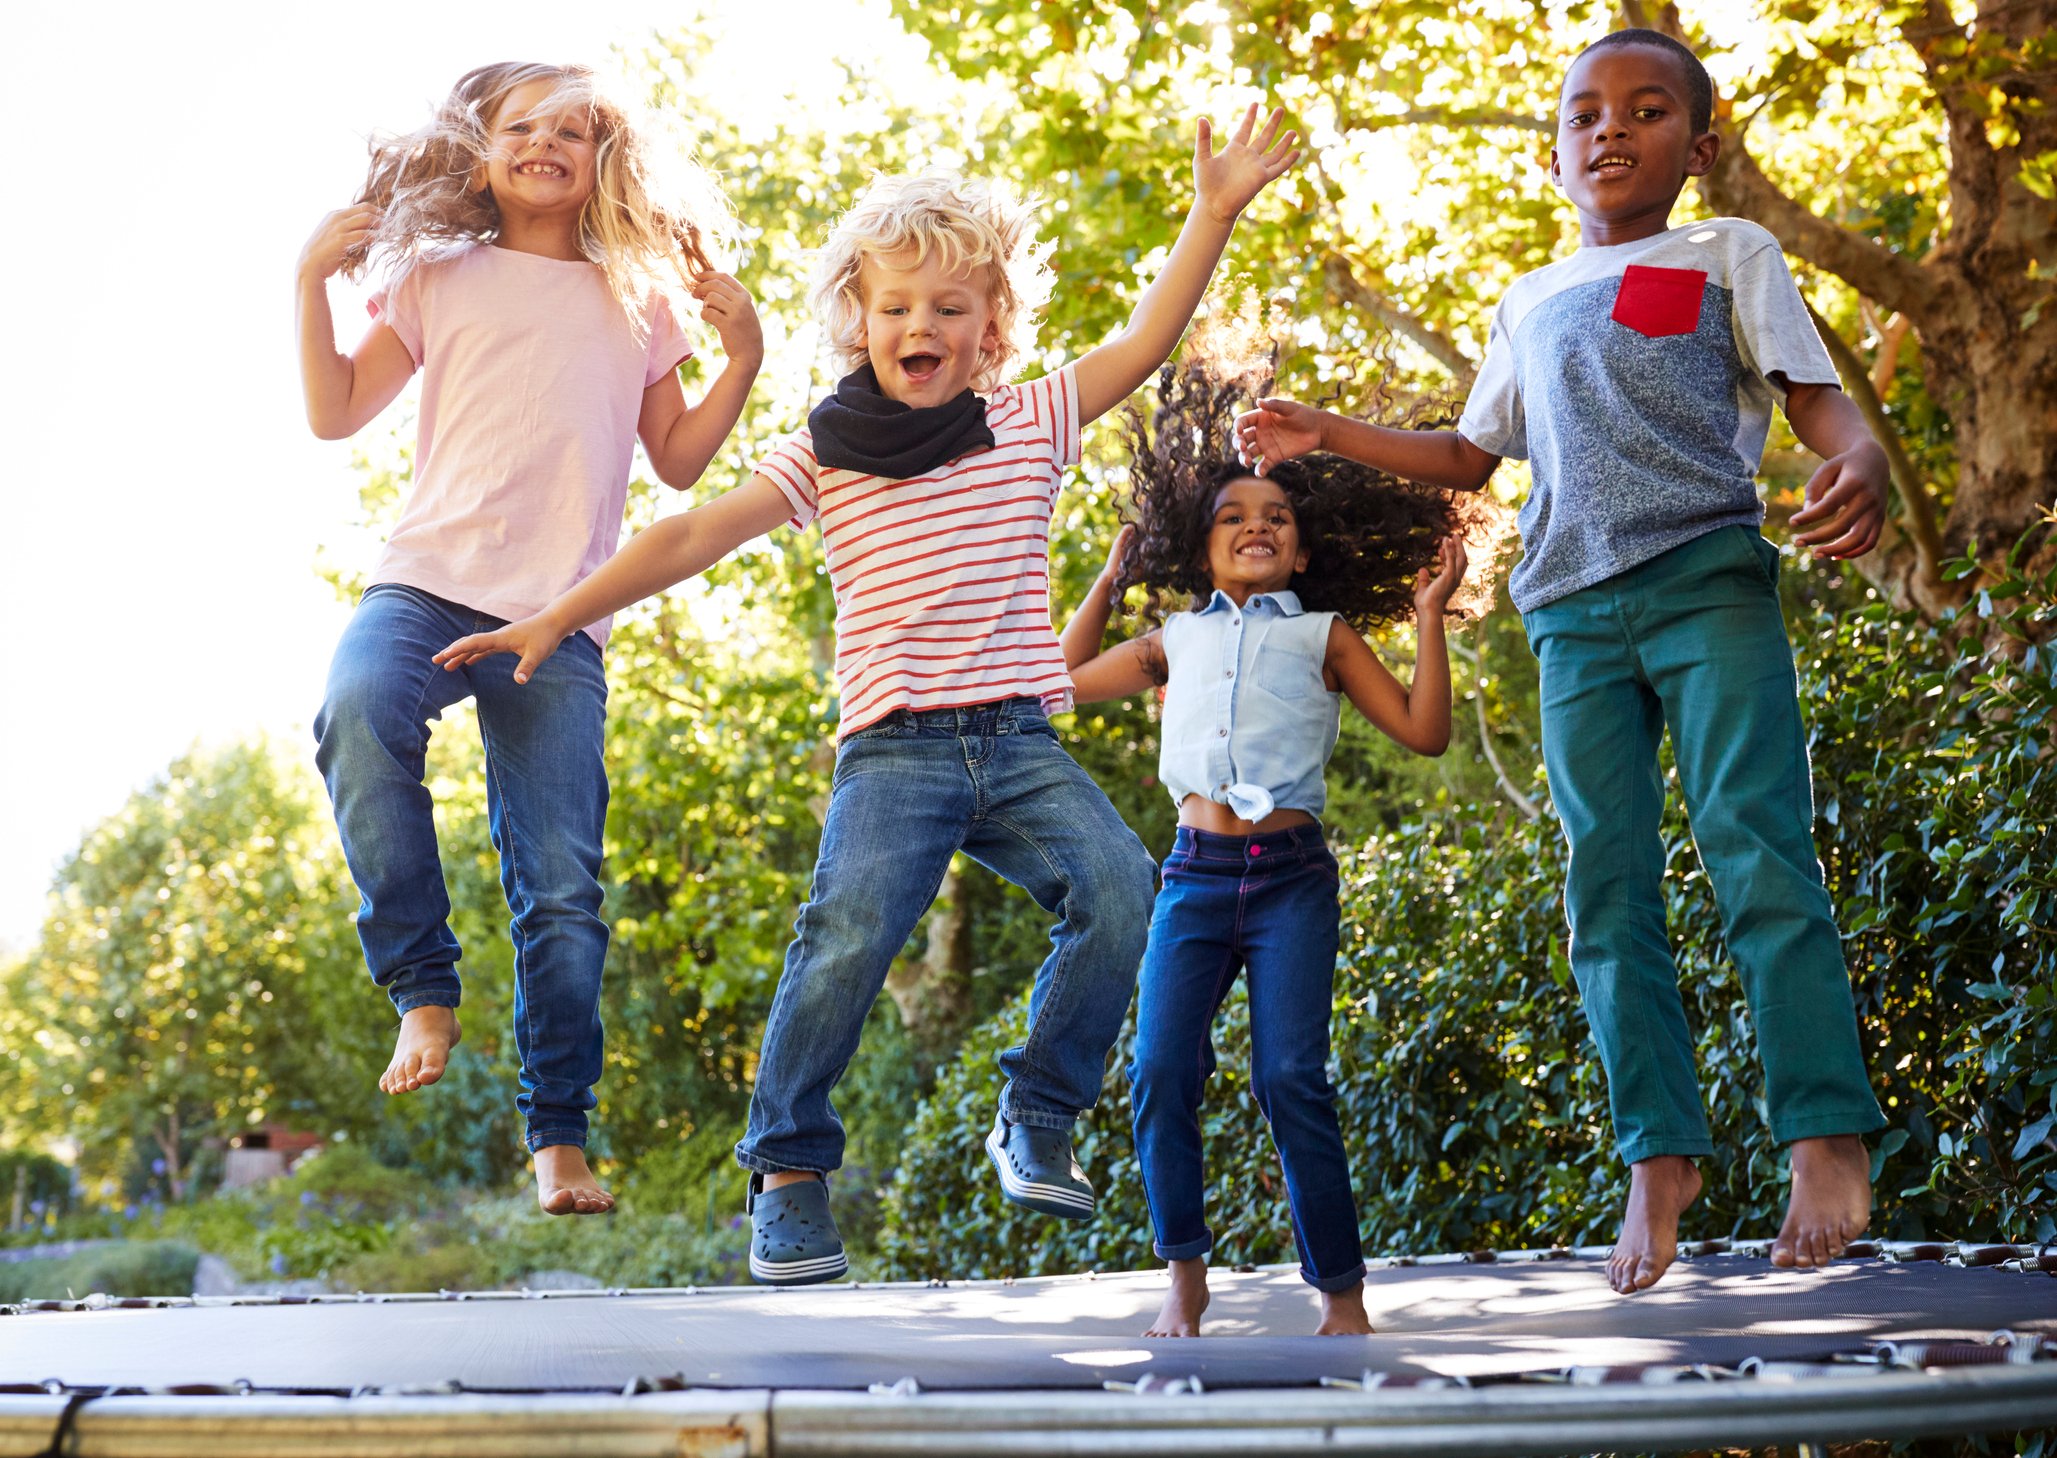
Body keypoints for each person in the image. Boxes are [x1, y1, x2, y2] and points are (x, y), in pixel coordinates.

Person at [433, 107, 1301, 1282]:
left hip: (1016, 739)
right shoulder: (824, 452)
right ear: (858, 318)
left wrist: (1210, 210)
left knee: (1117, 889)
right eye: (894, 307)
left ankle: (1036, 1115)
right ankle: (788, 1172)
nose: (919, 326)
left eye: (949, 308)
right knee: (840, 941)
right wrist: (555, 613)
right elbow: (692, 528)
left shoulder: (1030, 417)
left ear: (991, 326)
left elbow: (1145, 340)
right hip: (894, 750)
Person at [1236, 28, 1887, 1294]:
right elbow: (1472, 457)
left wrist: (1854, 457)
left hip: (1704, 584)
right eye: (1584, 114)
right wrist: (1331, 432)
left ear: (1694, 149)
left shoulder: (1725, 255)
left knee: (1755, 846)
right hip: (1569, 619)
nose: (1609, 130)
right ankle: (1658, 1157)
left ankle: (1821, 1131)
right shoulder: (1527, 299)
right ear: (1554, 154)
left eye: (1645, 112)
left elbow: (1816, 401)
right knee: (1605, 886)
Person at [297, 62, 762, 1215]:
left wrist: (743, 355)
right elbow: (333, 411)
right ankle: (423, 987)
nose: (548, 143)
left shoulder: (638, 298)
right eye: (524, 127)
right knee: (356, 713)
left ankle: (559, 1139)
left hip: (559, 615)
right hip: (426, 581)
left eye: (574, 130)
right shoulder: (435, 275)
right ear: (482, 147)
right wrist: (310, 275)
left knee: (559, 888)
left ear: (606, 160)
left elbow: (680, 461)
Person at [1061, 352, 1471, 1336]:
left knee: (1289, 1077)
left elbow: (1423, 732)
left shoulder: (1324, 635)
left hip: (1290, 883)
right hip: (1193, 882)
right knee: (1160, 1072)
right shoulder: (1171, 640)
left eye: (1275, 519)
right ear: (1196, 546)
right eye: (1233, 517)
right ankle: (1182, 1275)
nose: (1256, 526)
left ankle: (1340, 1294)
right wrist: (1109, 584)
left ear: (1299, 551)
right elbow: (1059, 680)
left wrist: (1426, 620)